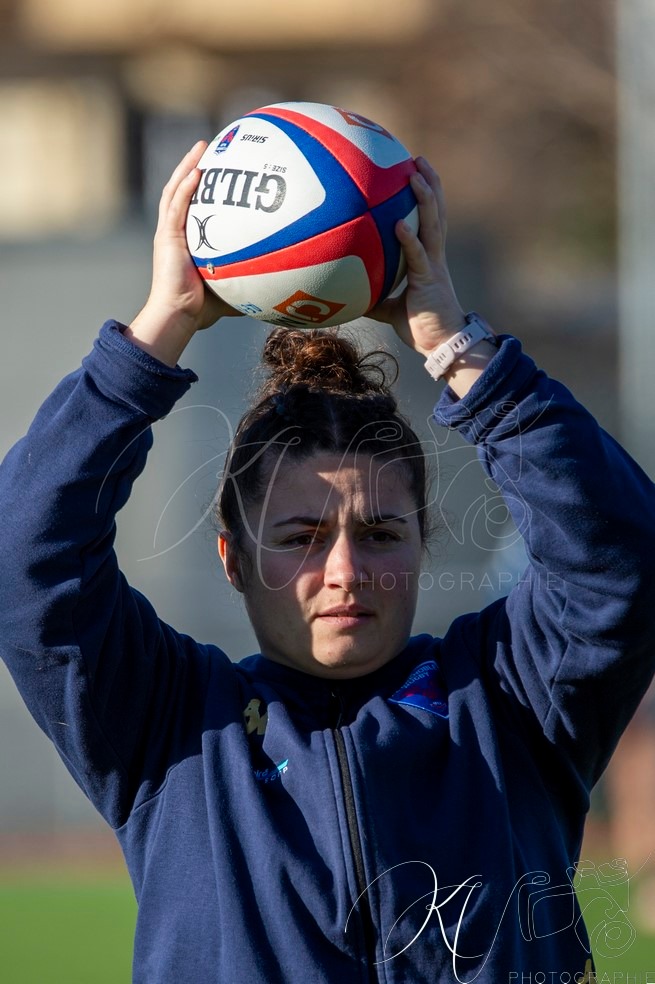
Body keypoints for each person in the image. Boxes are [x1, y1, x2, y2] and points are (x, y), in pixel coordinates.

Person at [0, 140, 654, 984]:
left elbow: (622, 559)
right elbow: (24, 557)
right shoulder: (166, 723)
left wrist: (459, 351)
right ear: (232, 558)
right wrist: (158, 331)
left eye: (380, 532)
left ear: (425, 538)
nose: (344, 570)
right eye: (301, 538)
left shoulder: (512, 700)